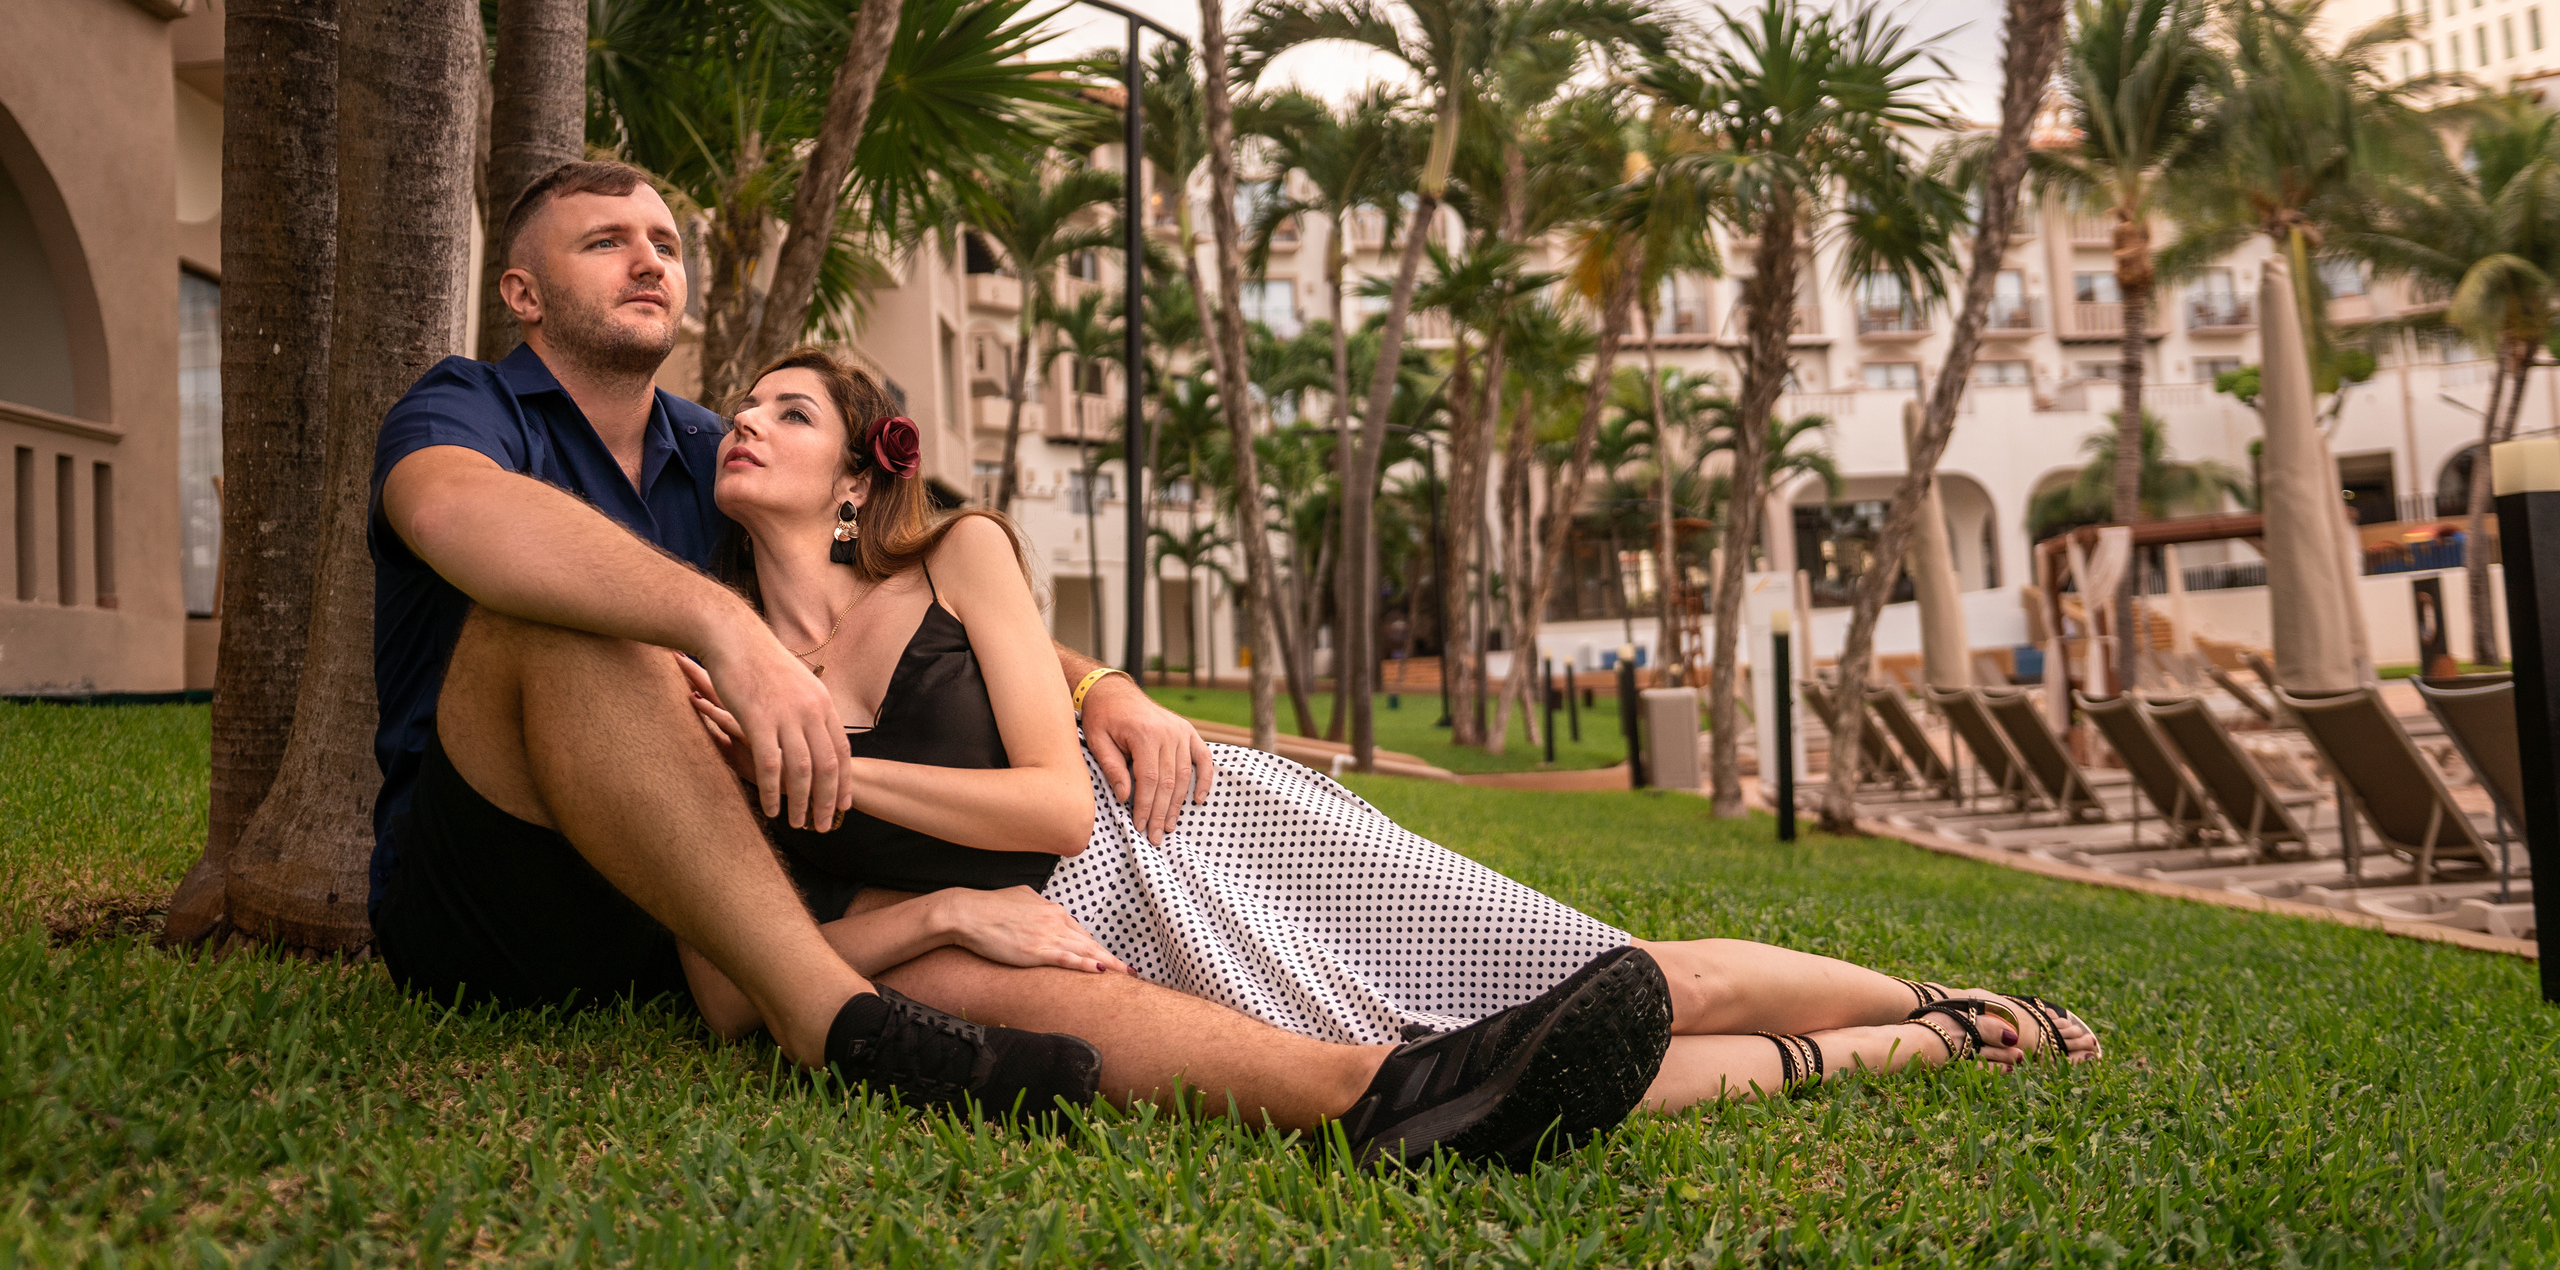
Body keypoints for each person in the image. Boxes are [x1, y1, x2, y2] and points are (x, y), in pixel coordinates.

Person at [363, 159, 1674, 1165]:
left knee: (977, 954)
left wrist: (1098, 684)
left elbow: (897, 578)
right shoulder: (470, 408)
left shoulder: (716, 453)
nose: (649, 261)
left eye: (662, 241)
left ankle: (1369, 1089)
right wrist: (712, 630)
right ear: (525, 293)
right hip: (503, 879)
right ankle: (836, 1026)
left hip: (710, 914)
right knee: (571, 612)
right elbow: (455, 516)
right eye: (606, 243)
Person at [686, 345, 2104, 1110]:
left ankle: (1930, 997)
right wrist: (934, 913)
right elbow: (740, 982)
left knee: (1603, 973)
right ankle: (1921, 1046)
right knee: (1463, 1063)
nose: (744, 421)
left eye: (787, 410)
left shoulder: (957, 560)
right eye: (741, 407)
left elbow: (1059, 807)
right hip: (1084, 932)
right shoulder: (706, 660)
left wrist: (825, 761)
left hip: (1187, 836)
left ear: (862, 478)